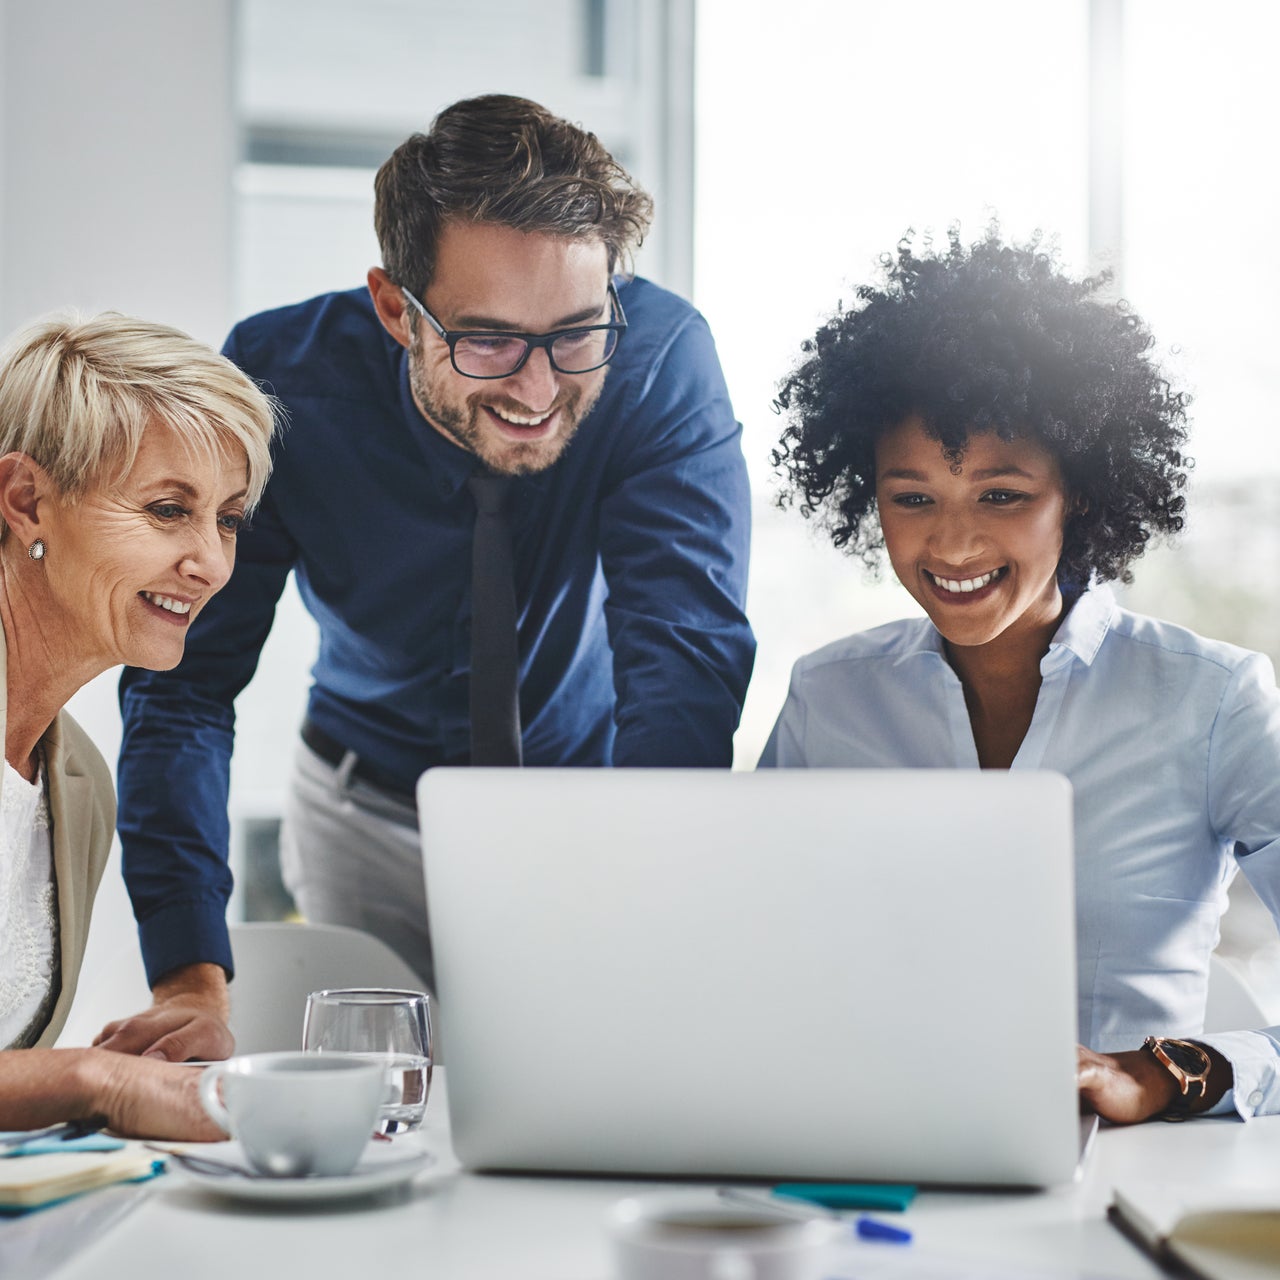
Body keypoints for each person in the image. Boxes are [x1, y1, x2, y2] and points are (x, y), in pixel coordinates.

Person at [105, 93, 754, 1058]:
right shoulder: (280, 383)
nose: (537, 391)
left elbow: (682, 658)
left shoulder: (657, 362)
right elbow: (186, 687)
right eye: (488, 340)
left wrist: (647, 895)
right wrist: (189, 973)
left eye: (575, 333)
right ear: (394, 309)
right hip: (365, 808)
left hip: (592, 804)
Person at [761, 227, 1280, 1124]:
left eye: (1002, 495)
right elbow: (745, 961)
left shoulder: (1213, 700)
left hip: (1114, 1182)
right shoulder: (827, 698)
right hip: (872, 1149)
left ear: (1078, 490)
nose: (952, 545)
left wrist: (1163, 1074)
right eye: (911, 497)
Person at [0, 311, 275, 1134]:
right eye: (166, 510)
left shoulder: (79, 782)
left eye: (226, 519)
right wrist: (93, 1080)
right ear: (25, 502)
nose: (213, 563)